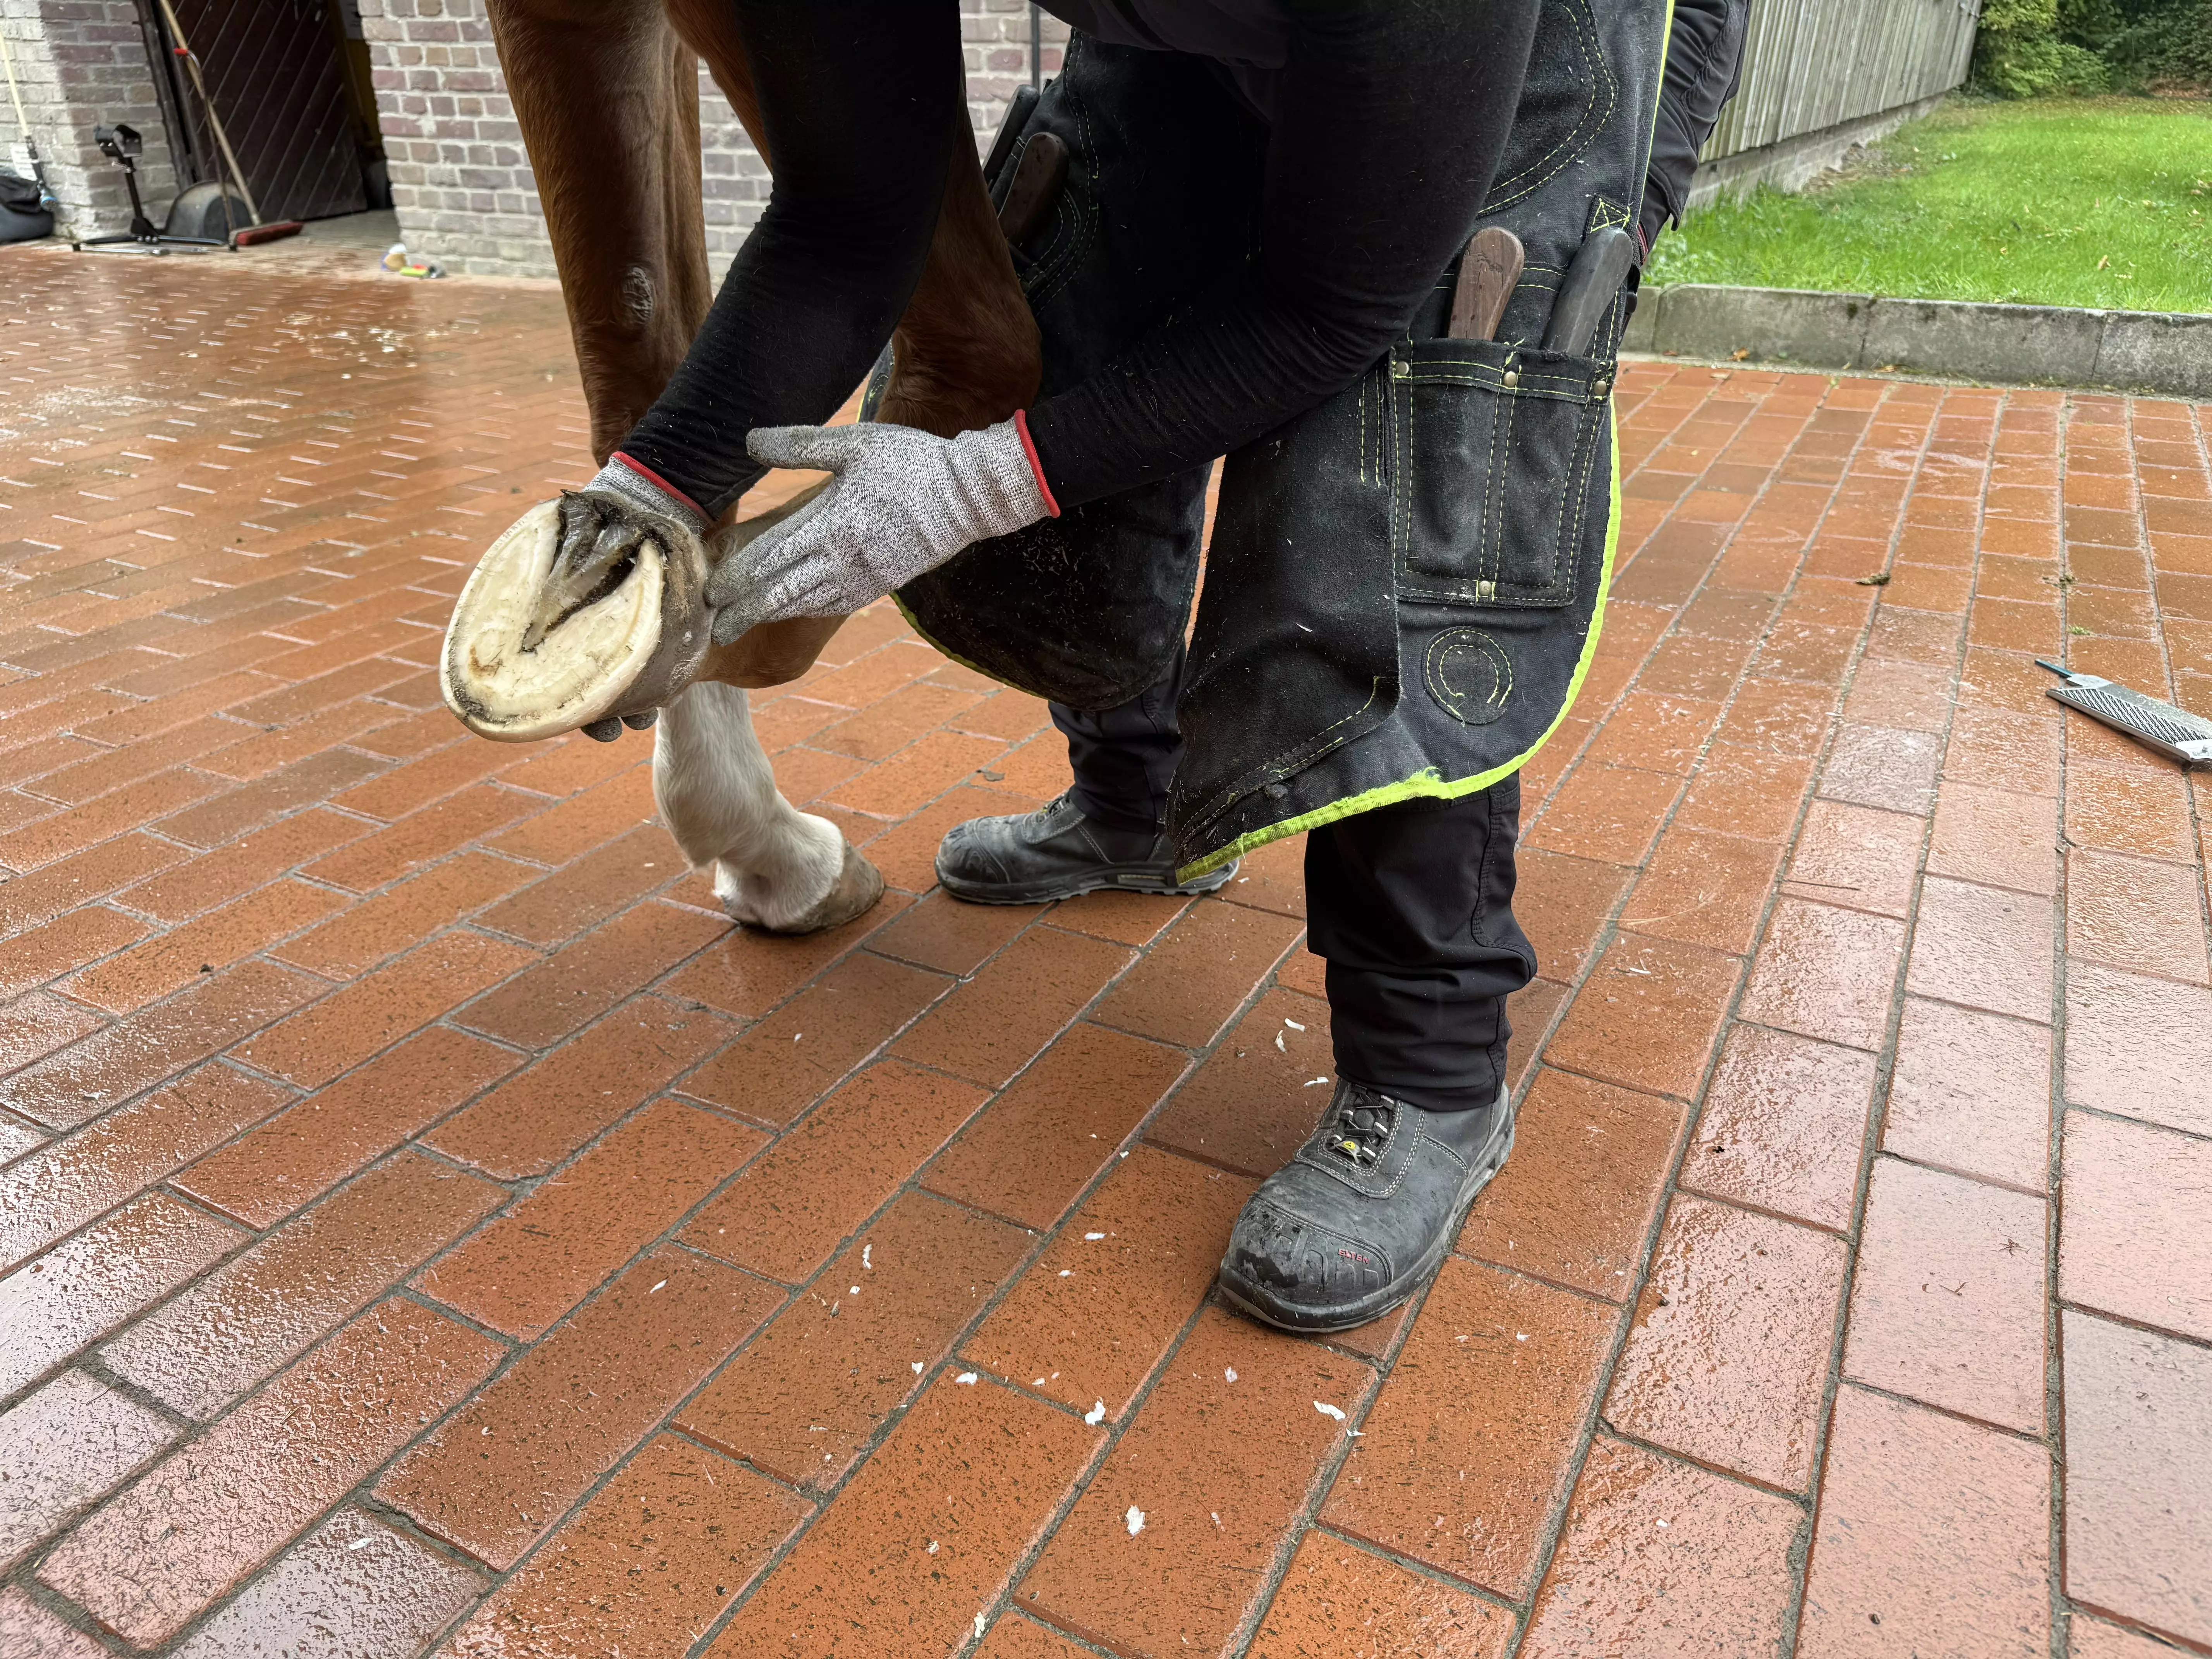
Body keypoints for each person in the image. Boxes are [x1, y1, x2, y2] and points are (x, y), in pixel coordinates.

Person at [565, 0, 1748, 1333]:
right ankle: (1135, 810)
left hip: (1520, 54)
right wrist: (648, 498)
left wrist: (968, 488)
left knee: (1407, 454)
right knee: (1088, 289)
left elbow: (1324, 308)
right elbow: (850, 217)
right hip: (1205, 29)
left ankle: (1432, 1065)